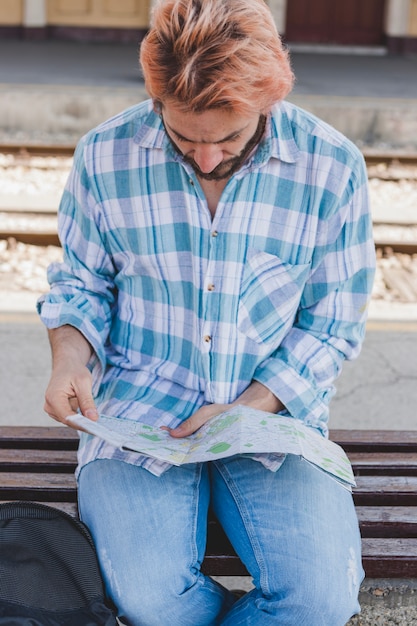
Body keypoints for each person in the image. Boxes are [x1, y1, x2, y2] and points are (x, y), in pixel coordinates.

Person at [37, 0, 376, 624]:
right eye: (184, 138)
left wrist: (245, 410)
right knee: (150, 603)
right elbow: (81, 285)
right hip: (139, 411)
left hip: (270, 415)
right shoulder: (104, 155)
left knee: (319, 602)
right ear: (157, 99)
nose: (206, 159)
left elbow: (332, 326)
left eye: (228, 138)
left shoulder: (332, 167)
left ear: (269, 101)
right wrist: (67, 361)